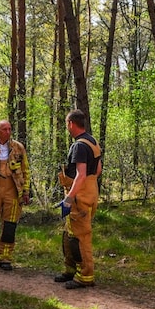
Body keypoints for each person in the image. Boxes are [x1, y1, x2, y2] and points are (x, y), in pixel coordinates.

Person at [55, 109, 102, 289]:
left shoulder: (79, 146)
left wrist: (69, 198)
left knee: (81, 237)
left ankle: (85, 276)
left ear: (71, 124)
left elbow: (80, 175)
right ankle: (70, 269)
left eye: (67, 125)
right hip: (91, 191)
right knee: (69, 234)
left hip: (80, 195)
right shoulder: (93, 142)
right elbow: (97, 171)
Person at [0, 119, 30, 271]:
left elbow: (26, 170)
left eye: (9, 129)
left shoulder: (18, 148)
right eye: (4, 129)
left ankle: (5, 258)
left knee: (10, 225)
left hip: (13, 190)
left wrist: (26, 191)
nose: (8, 132)